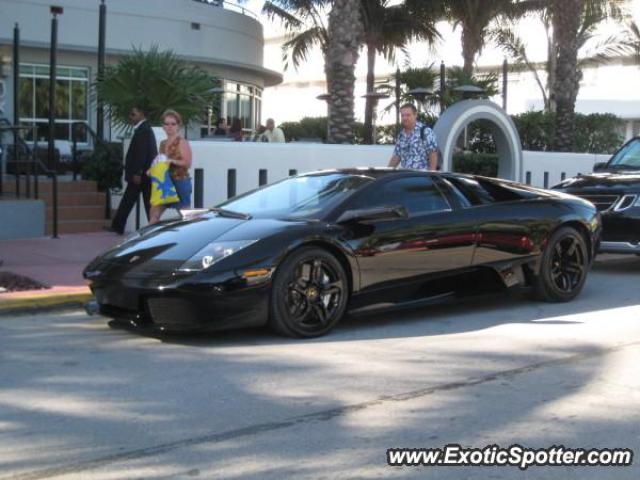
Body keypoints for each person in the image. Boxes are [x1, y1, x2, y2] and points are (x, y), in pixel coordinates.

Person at [108, 105, 157, 234]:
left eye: (133, 114)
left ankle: (119, 226)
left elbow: (142, 153)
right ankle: (118, 225)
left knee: (136, 201)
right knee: (132, 201)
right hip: (145, 174)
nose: (131, 117)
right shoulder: (144, 129)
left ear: (141, 114)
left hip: (141, 175)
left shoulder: (143, 130)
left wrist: (137, 172)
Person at [148, 110, 193, 224]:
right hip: (165, 183)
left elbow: (187, 163)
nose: (169, 127)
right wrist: (152, 169)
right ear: (163, 126)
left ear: (178, 126)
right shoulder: (163, 143)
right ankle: (152, 240)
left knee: (186, 216)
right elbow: (160, 161)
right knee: (154, 213)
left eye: (173, 124)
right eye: (166, 124)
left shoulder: (182, 142)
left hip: (180, 181)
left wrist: (172, 161)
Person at [388, 103, 438, 171]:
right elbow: (396, 156)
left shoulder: (425, 131)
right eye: (402, 115)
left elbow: (433, 153)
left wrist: (432, 174)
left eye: (408, 115)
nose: (404, 118)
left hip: (422, 177)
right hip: (405, 176)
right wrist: (386, 172)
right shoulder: (401, 135)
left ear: (415, 115)